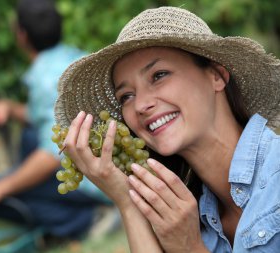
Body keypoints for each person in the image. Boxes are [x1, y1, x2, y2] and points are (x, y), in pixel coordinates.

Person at [54, 6, 280, 253]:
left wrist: (190, 247)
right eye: (126, 96)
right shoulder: (189, 214)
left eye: (159, 75)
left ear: (217, 75)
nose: (140, 105)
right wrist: (127, 203)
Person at [0, 0, 120, 243]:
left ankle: (90, 218)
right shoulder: (72, 56)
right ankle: (81, 214)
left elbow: (51, 155)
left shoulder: (44, 78)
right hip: (104, 165)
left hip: (92, 179)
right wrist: (8, 107)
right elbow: (47, 117)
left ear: (21, 35)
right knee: (29, 136)